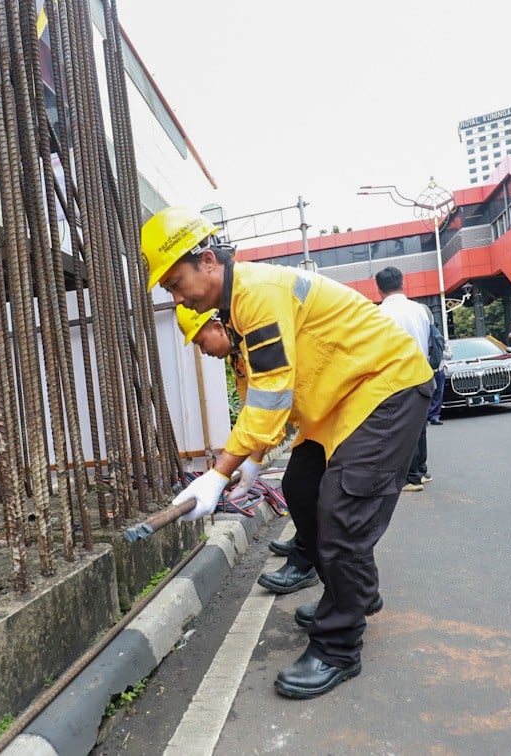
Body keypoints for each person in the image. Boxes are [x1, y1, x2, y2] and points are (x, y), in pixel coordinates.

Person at [142, 207, 433, 699]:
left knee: (342, 514)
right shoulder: (239, 308)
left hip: (385, 388)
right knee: (300, 488)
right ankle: (355, 594)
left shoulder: (256, 293)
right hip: (341, 402)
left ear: (207, 261)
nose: (177, 297)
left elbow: (271, 394)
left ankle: (338, 647)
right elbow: (269, 398)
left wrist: (220, 473)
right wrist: (250, 461)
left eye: (176, 283)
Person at [177, 305, 318, 594]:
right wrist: (250, 462)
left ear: (218, 328)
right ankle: (306, 545)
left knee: (304, 487)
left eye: (201, 342)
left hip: (328, 411)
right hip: (313, 416)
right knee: (300, 486)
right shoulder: (237, 357)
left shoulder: (253, 346)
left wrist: (230, 470)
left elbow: (268, 411)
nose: (203, 351)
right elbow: (252, 412)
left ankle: (307, 561)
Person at [374, 267, 432, 491]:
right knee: (420, 426)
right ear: (403, 283)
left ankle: (411, 478)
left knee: (401, 429)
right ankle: (422, 471)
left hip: (397, 377)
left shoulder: (378, 314)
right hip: (423, 373)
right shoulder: (419, 309)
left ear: (379, 289)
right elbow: (429, 341)